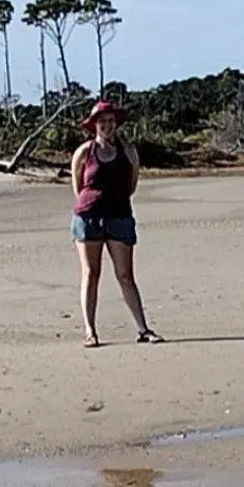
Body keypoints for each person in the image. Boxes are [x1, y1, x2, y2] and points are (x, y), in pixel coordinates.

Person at [70, 99, 162, 347]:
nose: (107, 125)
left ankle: (143, 329)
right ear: (94, 125)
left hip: (119, 216)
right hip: (88, 217)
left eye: (111, 121)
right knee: (91, 272)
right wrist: (92, 203)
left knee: (125, 274)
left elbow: (131, 184)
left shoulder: (128, 150)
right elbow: (78, 187)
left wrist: (115, 201)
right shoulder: (84, 152)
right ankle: (90, 331)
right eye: (102, 121)